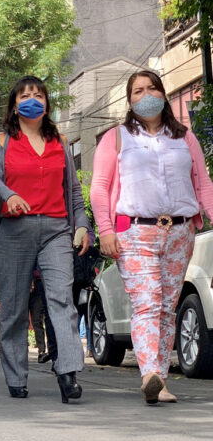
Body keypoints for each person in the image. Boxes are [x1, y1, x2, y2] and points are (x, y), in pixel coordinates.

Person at [91, 70, 213, 404]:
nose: (146, 95)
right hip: (135, 233)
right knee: (147, 303)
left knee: (167, 308)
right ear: (129, 101)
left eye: (152, 88)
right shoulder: (116, 138)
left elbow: (204, 184)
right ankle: (149, 374)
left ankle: (160, 381)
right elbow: (99, 187)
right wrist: (105, 230)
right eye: (138, 91)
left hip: (180, 232)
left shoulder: (185, 138)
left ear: (163, 93)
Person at [0, 75, 89, 403]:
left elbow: (73, 190)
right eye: (25, 95)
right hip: (14, 230)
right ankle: (16, 376)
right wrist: (9, 195)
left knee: (62, 300)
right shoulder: (1, 141)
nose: (32, 100)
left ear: (47, 103)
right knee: (14, 307)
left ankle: (68, 373)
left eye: (39, 95)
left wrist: (82, 225)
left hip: (56, 230)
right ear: (15, 106)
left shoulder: (60, 141)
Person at [29, 271, 51, 364]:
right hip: (23, 282)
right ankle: (20, 349)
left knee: (37, 319)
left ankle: (41, 351)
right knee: (20, 319)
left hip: (39, 283)